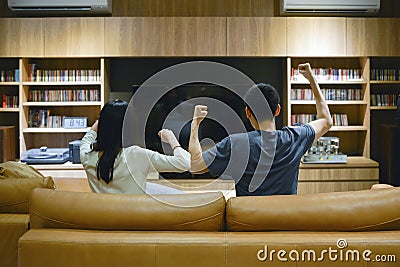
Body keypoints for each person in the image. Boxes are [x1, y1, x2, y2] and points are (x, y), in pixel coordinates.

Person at [189, 63, 332, 196]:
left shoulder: (236, 143)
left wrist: (195, 123)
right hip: (287, 219)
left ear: (247, 112)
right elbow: (326, 121)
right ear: (277, 110)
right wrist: (311, 79)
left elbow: (195, 165)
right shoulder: (295, 137)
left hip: (248, 221)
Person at [80, 99, 190, 194]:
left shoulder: (86, 156)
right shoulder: (136, 155)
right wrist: (172, 139)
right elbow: (184, 163)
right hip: (135, 216)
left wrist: (104, 120)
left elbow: (86, 140)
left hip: (102, 216)